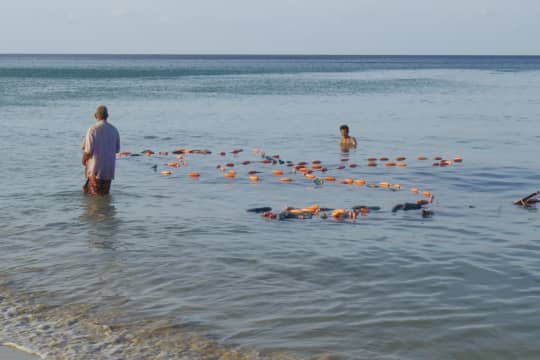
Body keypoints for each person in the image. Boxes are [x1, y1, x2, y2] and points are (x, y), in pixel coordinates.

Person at [81, 105, 120, 195]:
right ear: (107, 116)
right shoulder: (114, 130)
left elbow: (88, 151)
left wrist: (83, 160)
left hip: (95, 169)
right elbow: (117, 150)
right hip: (109, 170)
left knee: (94, 198)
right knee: (104, 195)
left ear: (95, 116)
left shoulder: (92, 129)